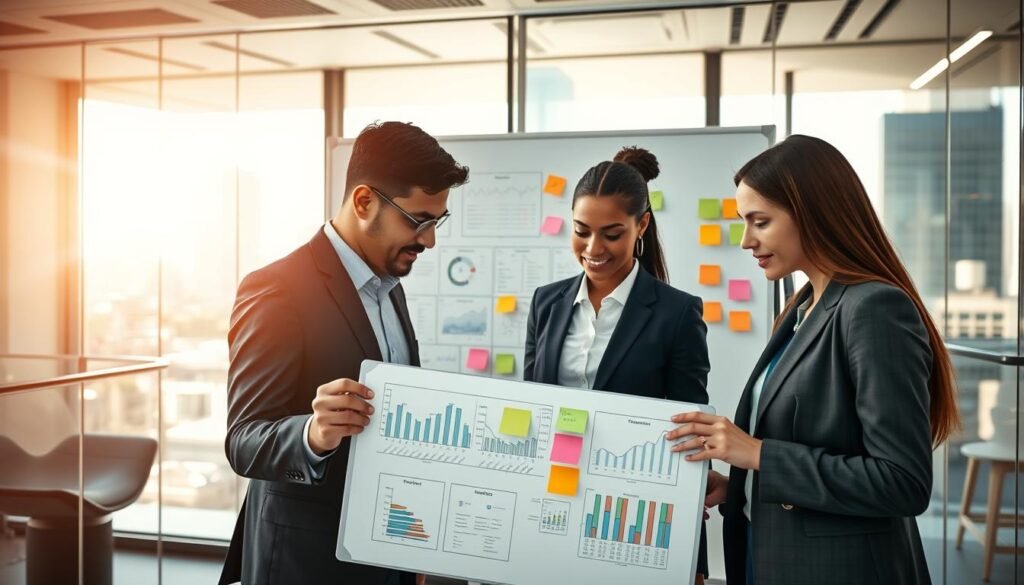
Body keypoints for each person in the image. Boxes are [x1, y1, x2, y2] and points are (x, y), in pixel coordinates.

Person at [668, 135, 959, 585]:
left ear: (811, 212)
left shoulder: (874, 309)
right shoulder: (802, 307)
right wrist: (739, 491)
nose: (746, 241)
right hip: (772, 555)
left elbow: (902, 482)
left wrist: (757, 454)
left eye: (760, 221)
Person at [220, 121, 469, 585]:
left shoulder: (390, 289)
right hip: (306, 560)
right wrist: (314, 433)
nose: (430, 240)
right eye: (419, 220)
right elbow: (243, 439)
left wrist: (414, 543)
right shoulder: (277, 289)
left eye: (438, 221)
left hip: (385, 549)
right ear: (363, 201)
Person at [523, 146, 712, 584]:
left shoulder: (677, 314)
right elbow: (535, 410)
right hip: (553, 505)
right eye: (581, 231)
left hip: (632, 516)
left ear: (641, 224)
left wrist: (694, 560)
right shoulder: (546, 304)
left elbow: (689, 431)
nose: (593, 249)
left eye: (611, 233)